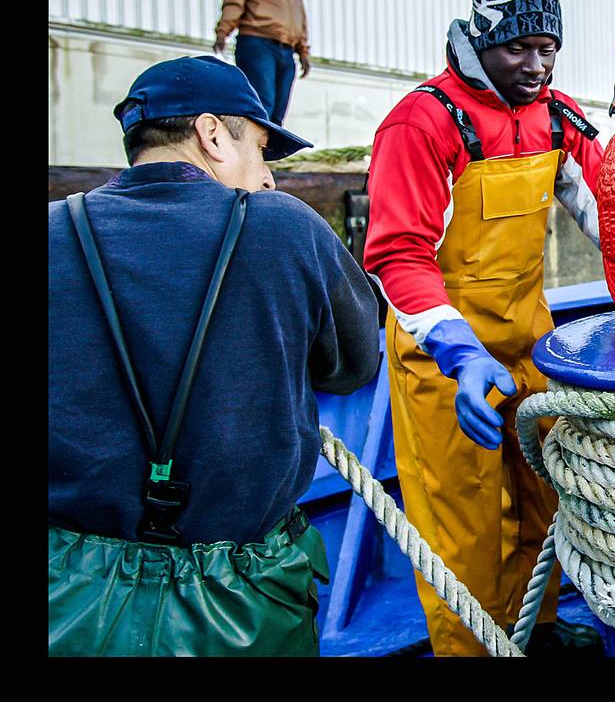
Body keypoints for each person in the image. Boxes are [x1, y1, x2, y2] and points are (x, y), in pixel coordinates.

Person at [48, 55, 380, 656]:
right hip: (240, 603)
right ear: (210, 135)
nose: (269, 178)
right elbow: (354, 365)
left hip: (65, 599)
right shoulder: (284, 228)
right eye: (259, 149)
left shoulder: (52, 232)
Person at [364, 0, 607, 657]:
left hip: (530, 345)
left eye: (547, 48)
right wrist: (461, 351)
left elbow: (610, 218)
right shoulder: (422, 122)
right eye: (516, 49)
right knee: (462, 525)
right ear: (481, 40)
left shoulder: (557, 119)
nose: (535, 65)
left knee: (549, 496)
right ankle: (472, 647)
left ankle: (542, 630)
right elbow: (398, 255)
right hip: (444, 360)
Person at [214, 0, 311, 125]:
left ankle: (268, 153)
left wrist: (303, 52)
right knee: (261, 101)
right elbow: (234, 3)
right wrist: (223, 32)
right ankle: (252, 151)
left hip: (286, 49)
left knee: (279, 108)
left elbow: (299, 18)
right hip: (257, 42)